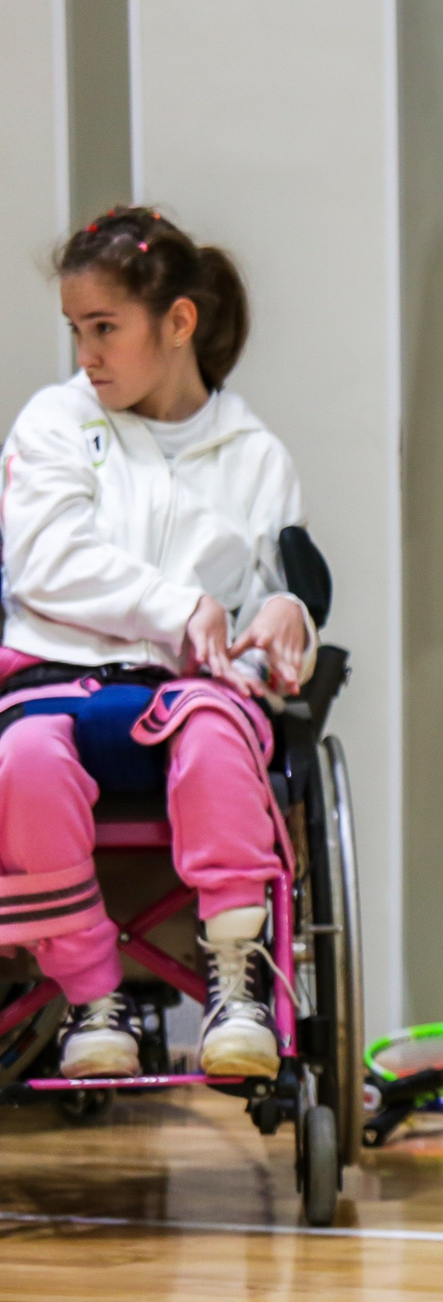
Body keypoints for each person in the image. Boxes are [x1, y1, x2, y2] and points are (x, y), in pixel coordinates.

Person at [0, 207, 318, 1082]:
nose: (86, 354)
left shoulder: (256, 457)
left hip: (184, 700)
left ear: (178, 322)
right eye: (76, 330)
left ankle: (237, 981)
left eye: (104, 328)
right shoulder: (53, 423)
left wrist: (288, 619)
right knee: (22, 760)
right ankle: (91, 997)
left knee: (219, 733)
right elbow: (43, 564)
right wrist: (177, 605)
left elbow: (272, 602)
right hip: (56, 689)